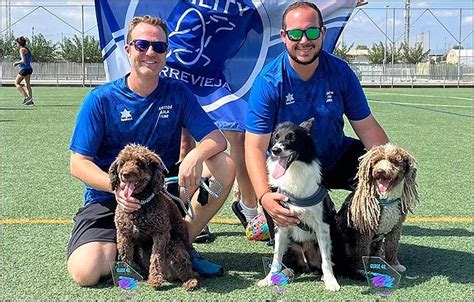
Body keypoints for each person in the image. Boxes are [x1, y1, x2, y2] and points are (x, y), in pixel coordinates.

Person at [67, 15, 235, 287]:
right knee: (87, 272)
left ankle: (179, 245)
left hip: (160, 193)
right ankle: (125, 249)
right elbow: (78, 163)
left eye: (159, 47)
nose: (150, 52)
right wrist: (117, 188)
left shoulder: (177, 92)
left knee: (223, 164)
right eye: (142, 44)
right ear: (128, 49)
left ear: (166, 52)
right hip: (107, 196)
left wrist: (194, 155)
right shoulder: (100, 99)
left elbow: (216, 138)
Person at [245, 1, 389, 229]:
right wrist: (264, 196)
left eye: (311, 32)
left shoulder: (341, 72)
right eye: (295, 34)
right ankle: (272, 217)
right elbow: (254, 146)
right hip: (291, 169)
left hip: (334, 158)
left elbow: (368, 127)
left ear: (322, 33)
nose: (304, 41)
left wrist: (389, 166)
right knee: (302, 255)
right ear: (283, 36)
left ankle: (350, 222)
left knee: (379, 174)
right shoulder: (268, 82)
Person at [13, 36, 35, 106]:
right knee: (27, 85)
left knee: (16, 83)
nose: (16, 45)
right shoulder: (26, 49)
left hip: (25, 69)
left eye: (16, 43)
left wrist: (17, 63)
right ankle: (30, 101)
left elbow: (23, 61)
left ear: (19, 43)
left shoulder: (22, 49)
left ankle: (27, 98)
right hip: (29, 69)